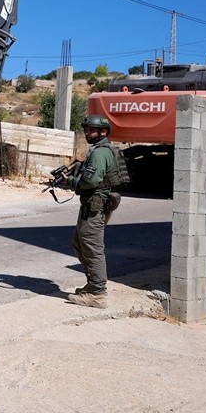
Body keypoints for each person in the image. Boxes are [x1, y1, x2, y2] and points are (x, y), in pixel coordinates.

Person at [66, 114, 124, 308]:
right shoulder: (101, 150)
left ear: (103, 132)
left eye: (91, 130)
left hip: (94, 207)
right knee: (80, 243)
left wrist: (72, 182)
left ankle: (98, 294)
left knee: (92, 249)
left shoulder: (100, 152)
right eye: (86, 130)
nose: (87, 133)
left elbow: (90, 181)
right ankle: (93, 286)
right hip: (93, 206)